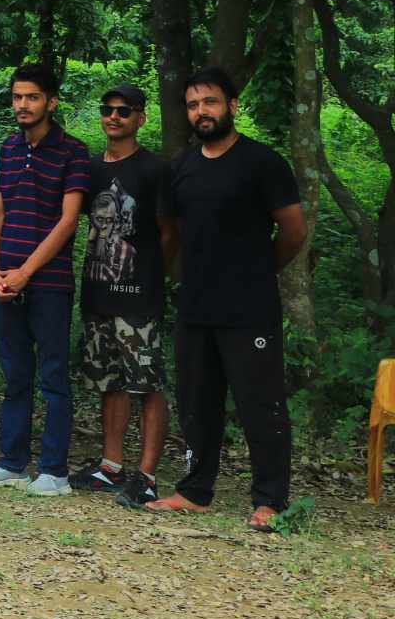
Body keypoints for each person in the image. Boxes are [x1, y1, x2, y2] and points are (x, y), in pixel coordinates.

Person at [150, 67, 307, 530]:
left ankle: (270, 500)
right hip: (196, 305)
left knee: (261, 404)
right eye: (194, 104)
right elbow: (171, 235)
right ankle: (196, 490)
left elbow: (294, 231)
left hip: (250, 307)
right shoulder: (180, 168)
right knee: (198, 402)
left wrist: (260, 270)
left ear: (232, 106)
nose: (202, 111)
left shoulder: (263, 163)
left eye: (211, 102)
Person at [0, 64, 92, 496]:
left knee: (53, 376)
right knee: (15, 374)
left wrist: (26, 271)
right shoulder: (8, 148)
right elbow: (0, 212)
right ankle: (12, 462)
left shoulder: (73, 152)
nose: (23, 105)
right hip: (5, 279)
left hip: (49, 282)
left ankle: (54, 471)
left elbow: (68, 221)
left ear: (51, 101)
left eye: (33, 97)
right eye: (18, 97)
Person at [72, 84, 175, 506]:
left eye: (124, 111)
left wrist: (153, 276)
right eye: (108, 110)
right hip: (98, 292)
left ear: (140, 118)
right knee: (108, 381)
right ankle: (111, 465)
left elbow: (170, 231)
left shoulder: (154, 170)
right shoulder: (91, 169)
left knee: (147, 384)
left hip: (139, 296)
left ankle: (147, 475)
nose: (114, 117)